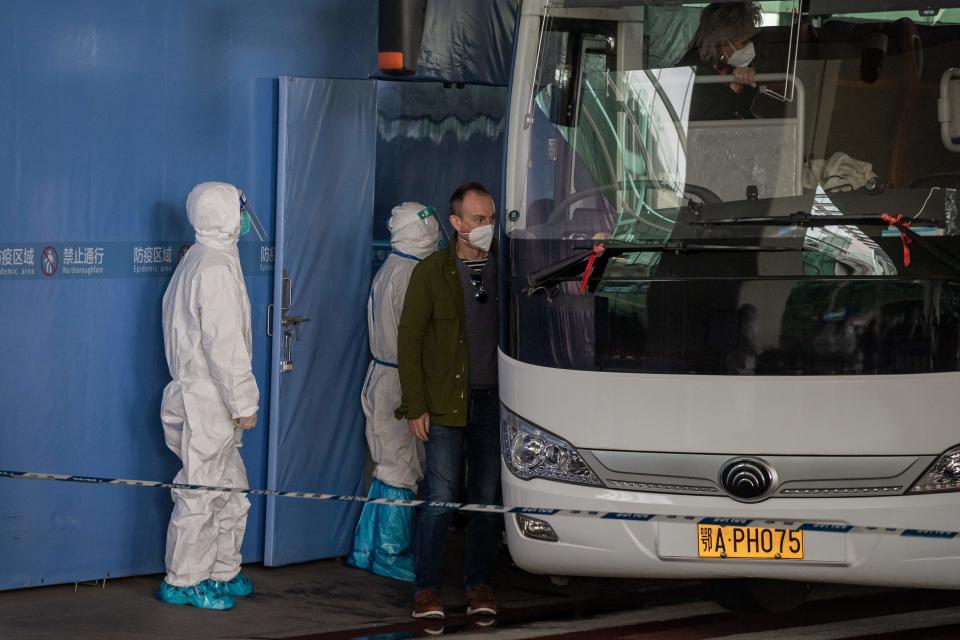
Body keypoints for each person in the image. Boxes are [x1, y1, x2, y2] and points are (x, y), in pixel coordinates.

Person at [396, 183, 500, 620]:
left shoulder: (503, 272)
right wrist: (415, 404)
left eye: (492, 218)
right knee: (439, 498)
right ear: (456, 223)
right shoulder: (432, 272)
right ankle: (427, 590)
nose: (487, 227)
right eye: (478, 219)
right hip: (443, 405)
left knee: (486, 500)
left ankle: (478, 585)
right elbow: (410, 339)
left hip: (493, 405)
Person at [157, 182, 260, 611]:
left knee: (230, 487)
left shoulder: (208, 257)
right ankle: (185, 579)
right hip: (209, 398)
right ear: (223, 213)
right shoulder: (213, 266)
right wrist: (244, 402)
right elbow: (224, 346)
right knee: (201, 491)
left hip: (207, 395)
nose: (244, 215)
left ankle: (221, 569)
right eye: (239, 208)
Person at [347, 202, 440, 581]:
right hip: (400, 381)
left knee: (387, 466)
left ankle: (366, 548)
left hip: (383, 377)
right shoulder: (413, 274)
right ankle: (390, 552)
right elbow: (418, 339)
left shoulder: (393, 267)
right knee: (402, 468)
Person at [680, 2, 763, 120]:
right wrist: (733, 89)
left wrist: (748, 79)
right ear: (723, 42)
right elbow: (710, 119)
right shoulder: (691, 71)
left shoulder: (725, 65)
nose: (750, 45)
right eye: (744, 42)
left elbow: (745, 108)